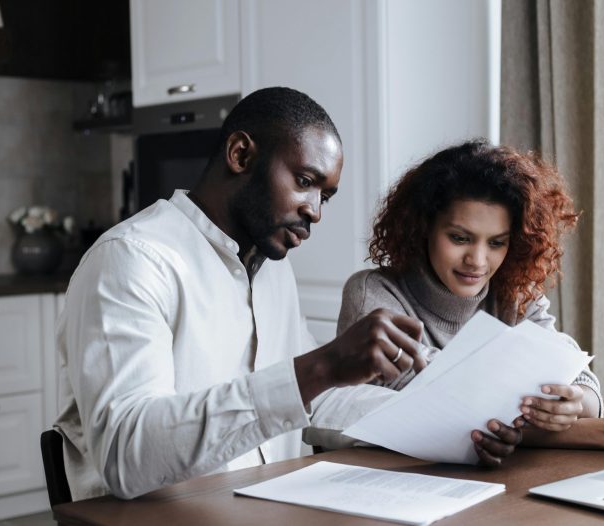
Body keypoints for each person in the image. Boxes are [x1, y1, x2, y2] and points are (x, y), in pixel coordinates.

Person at [54, 87, 428, 500]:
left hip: (265, 509)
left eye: (325, 196)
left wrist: (448, 421)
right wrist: (319, 367)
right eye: (305, 181)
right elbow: (127, 455)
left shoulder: (272, 272)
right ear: (241, 155)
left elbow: (313, 403)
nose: (315, 211)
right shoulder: (132, 260)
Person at [322, 138, 604, 461]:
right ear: (423, 227)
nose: (478, 261)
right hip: (389, 481)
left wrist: (574, 400)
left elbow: (579, 375)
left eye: (496, 242)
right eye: (460, 238)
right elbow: (446, 411)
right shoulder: (374, 294)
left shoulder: (513, 292)